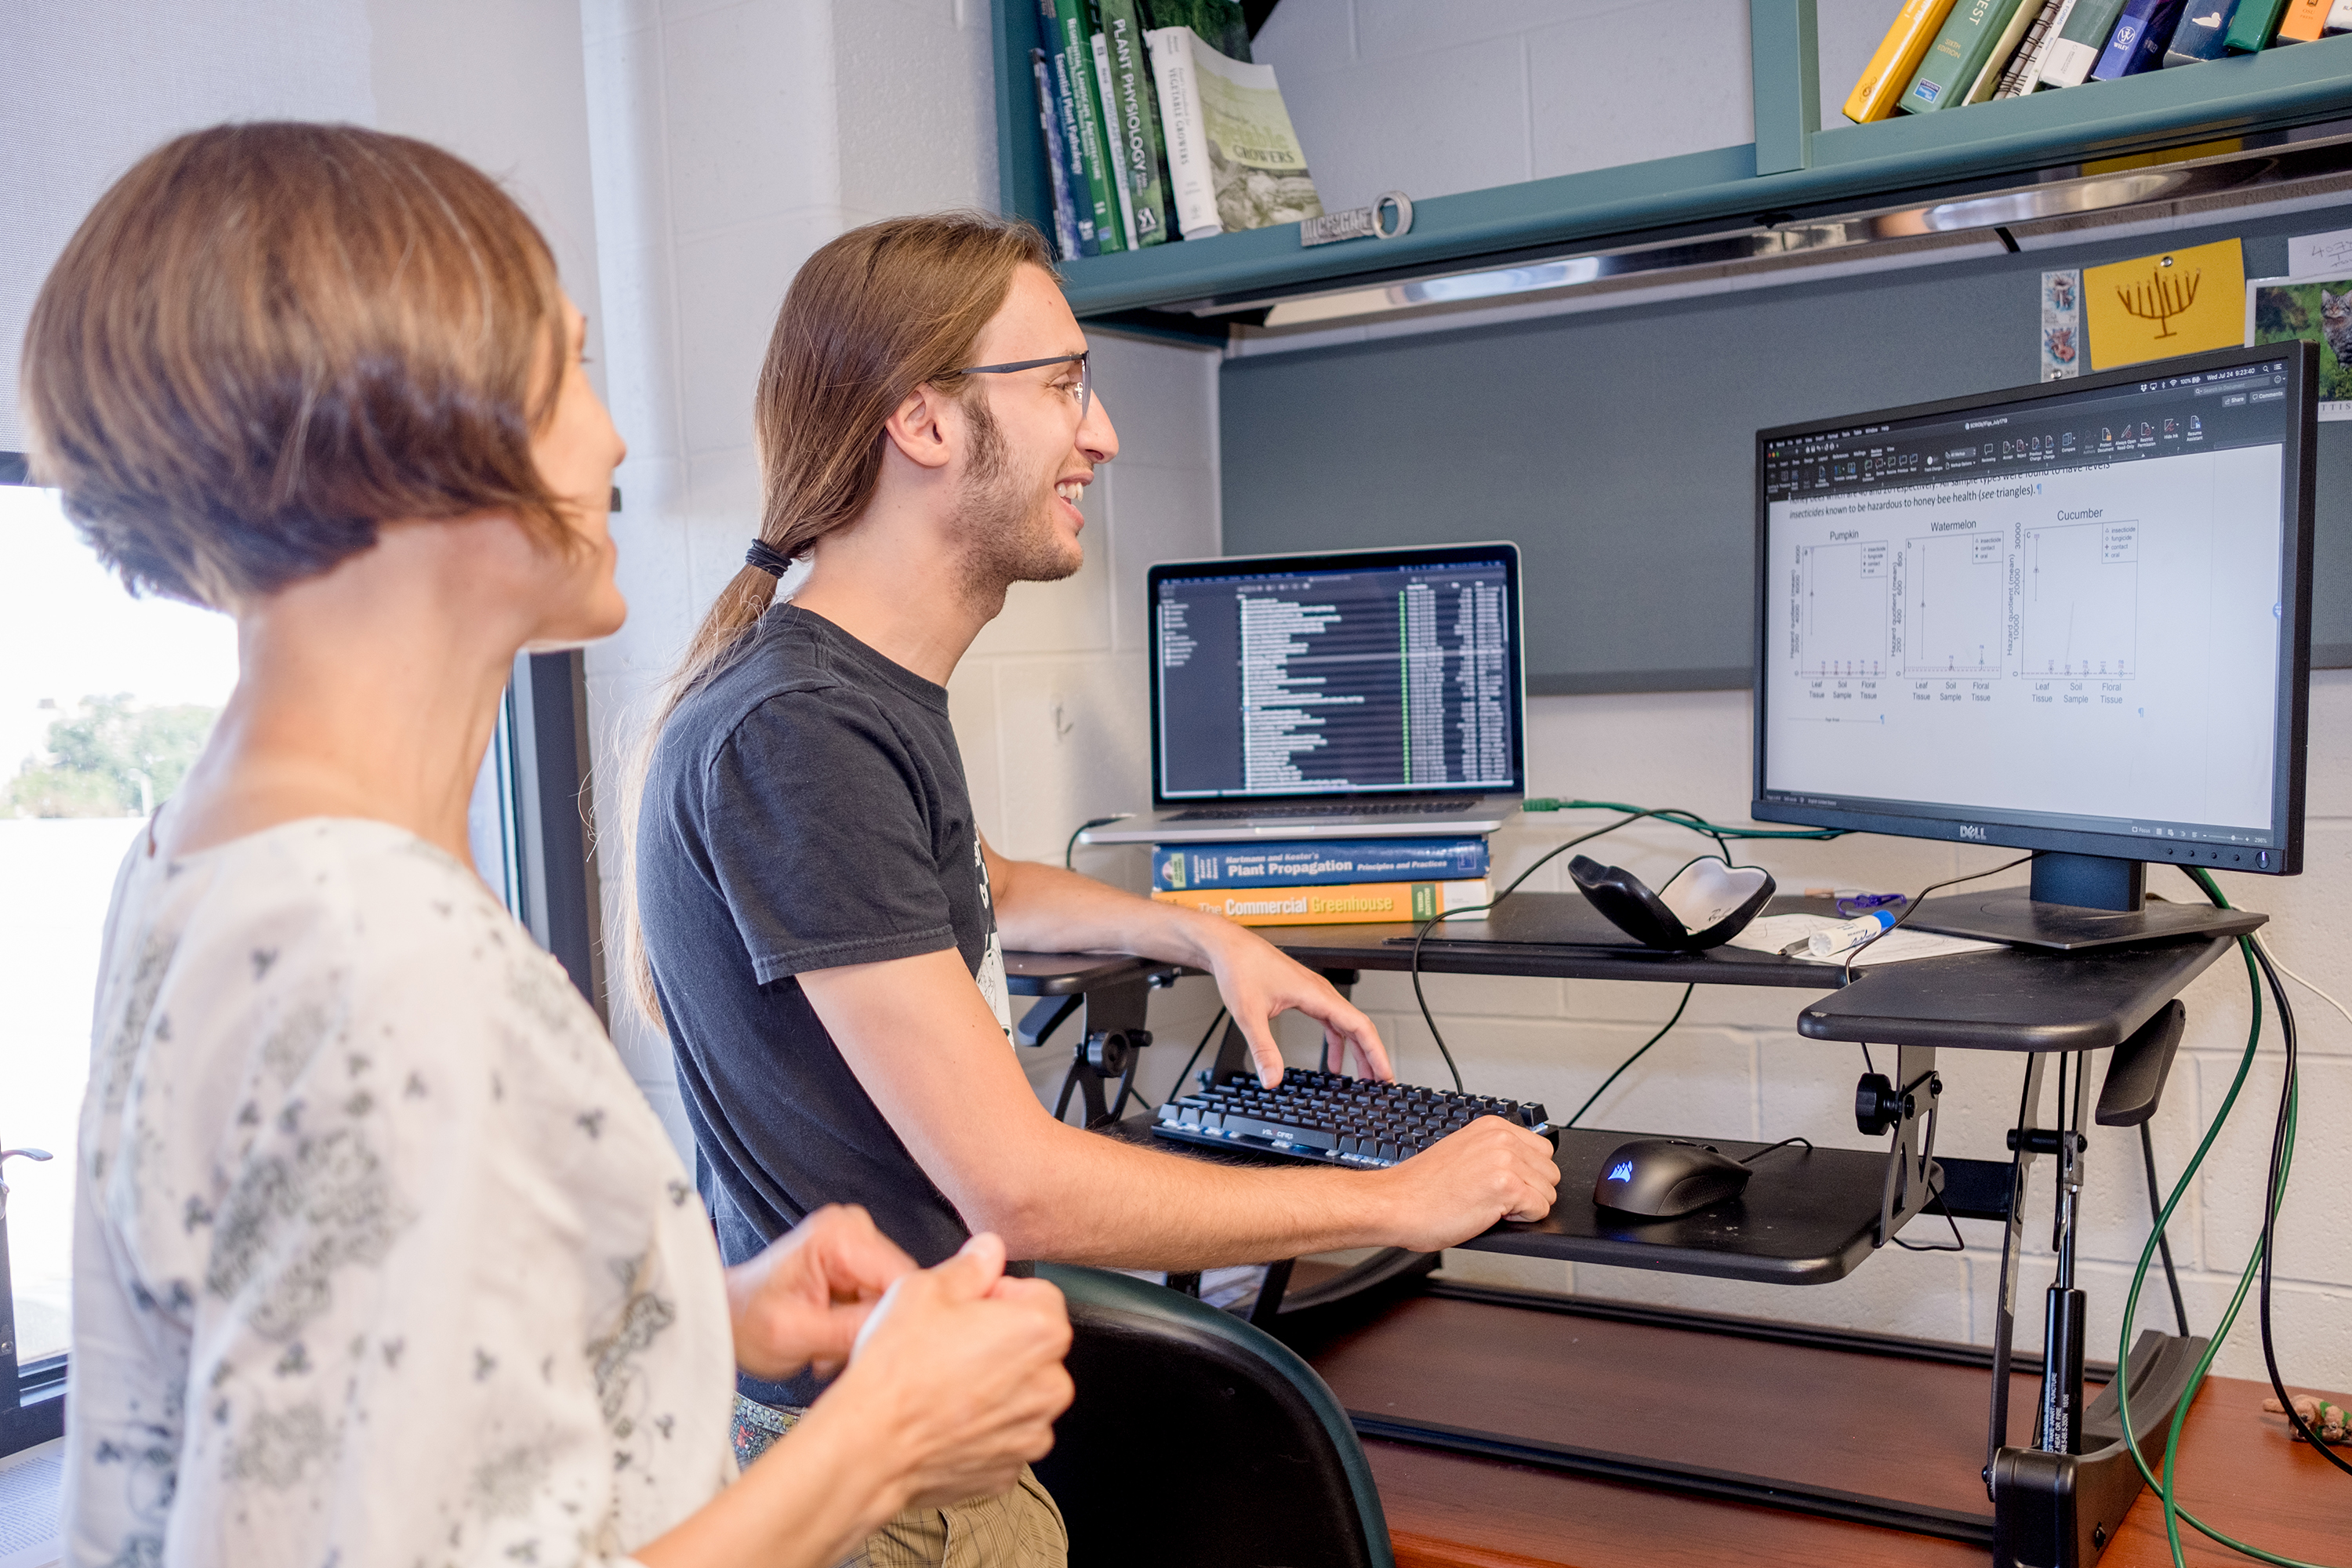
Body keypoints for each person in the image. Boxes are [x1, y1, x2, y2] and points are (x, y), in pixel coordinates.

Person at [27, 125, 1073, 1568]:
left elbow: (339, 1404)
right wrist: (882, 1434)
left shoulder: (214, 859)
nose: (613, 440)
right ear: (400, 432)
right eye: (570, 370)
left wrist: (683, 1316)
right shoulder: (375, 960)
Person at [628, 213, 1560, 1485]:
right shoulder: (801, 730)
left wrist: (1203, 934)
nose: (1103, 433)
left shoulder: (844, 695)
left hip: (911, 1426)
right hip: (884, 1474)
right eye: (1064, 384)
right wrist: (1396, 1198)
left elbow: (981, 885)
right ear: (925, 421)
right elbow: (1022, 1188)